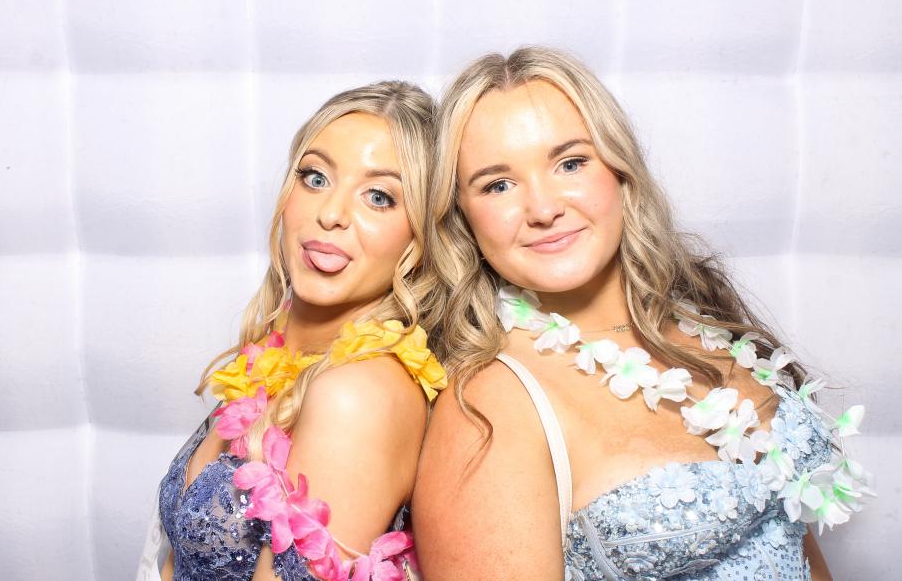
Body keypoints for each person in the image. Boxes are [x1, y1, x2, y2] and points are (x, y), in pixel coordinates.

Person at [413, 46, 872, 580]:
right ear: (462, 217)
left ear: (620, 168)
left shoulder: (702, 317)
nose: (543, 209)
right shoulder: (487, 407)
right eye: (498, 185)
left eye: (570, 163)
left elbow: (793, 540)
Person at [137, 81, 447, 581]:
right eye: (315, 177)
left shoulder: (358, 395)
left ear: (424, 234)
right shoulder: (277, 354)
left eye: (379, 197)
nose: (330, 214)